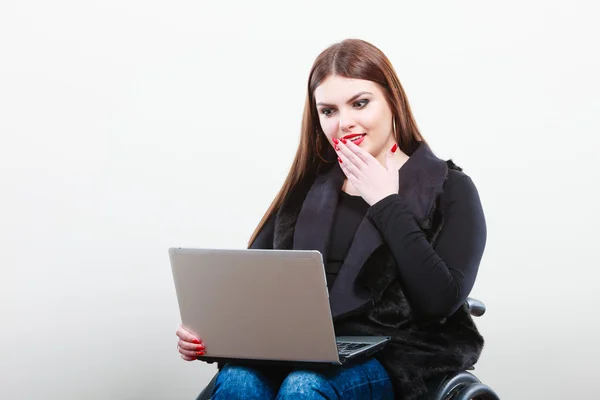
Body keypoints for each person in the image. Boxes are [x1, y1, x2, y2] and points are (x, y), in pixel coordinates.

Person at [175, 38, 487, 400]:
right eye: (329, 111)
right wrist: (208, 334)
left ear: (392, 101)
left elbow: (439, 301)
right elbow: (254, 290)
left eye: (360, 103)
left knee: (305, 386)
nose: (345, 123)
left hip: (397, 353)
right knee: (240, 379)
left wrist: (385, 201)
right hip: (303, 348)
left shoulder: (451, 189)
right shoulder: (306, 190)